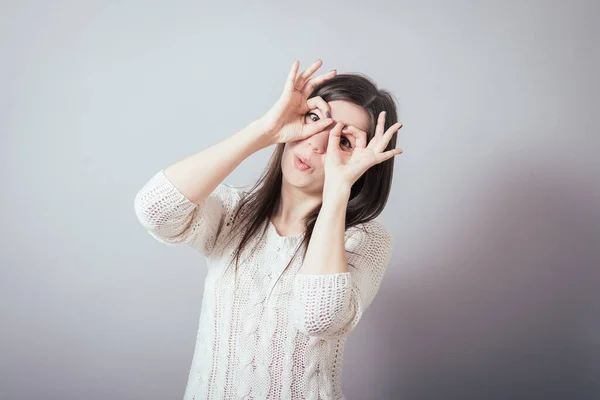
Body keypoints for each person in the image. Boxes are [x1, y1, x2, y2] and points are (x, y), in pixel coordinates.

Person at [134, 58, 404, 400]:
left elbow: (319, 316)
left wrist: (338, 189)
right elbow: (155, 209)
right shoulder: (234, 213)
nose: (317, 143)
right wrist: (264, 131)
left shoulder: (365, 240)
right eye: (314, 118)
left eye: (345, 142)